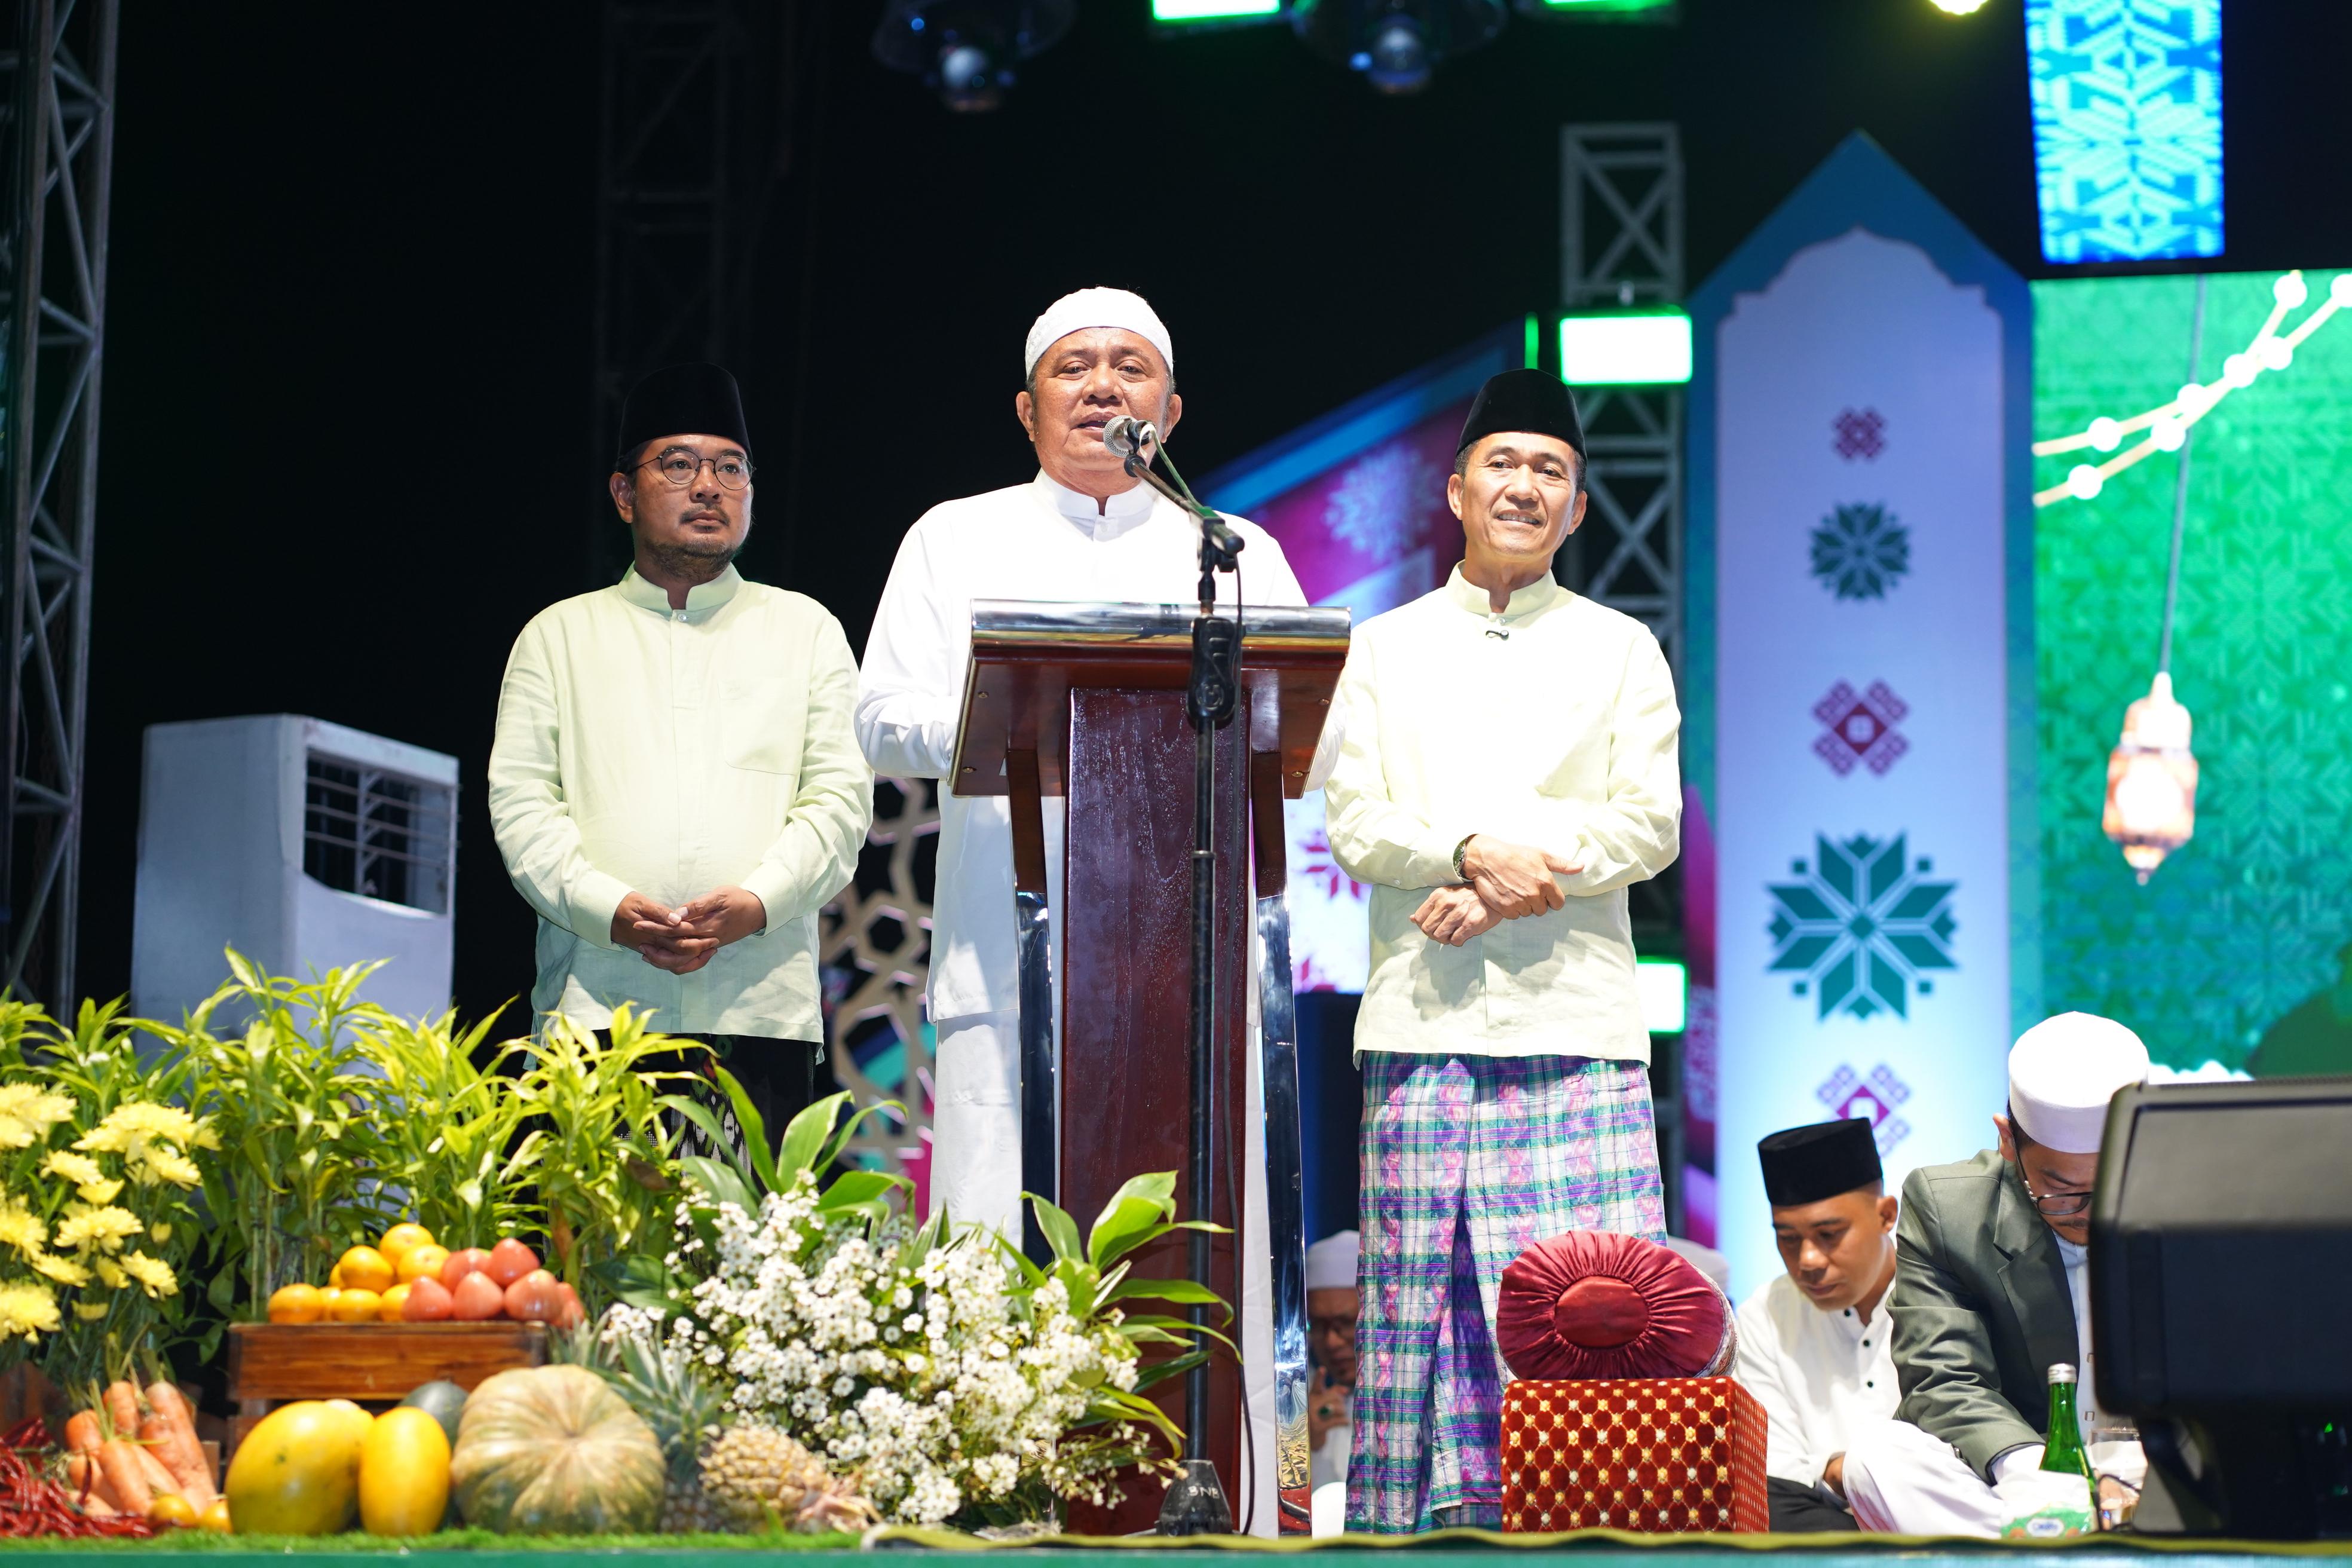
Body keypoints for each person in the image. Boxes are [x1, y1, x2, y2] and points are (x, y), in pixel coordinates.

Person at [853, 287, 1313, 1235]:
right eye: (1074, 368)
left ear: (1171, 413)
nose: (1103, 387)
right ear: (1028, 411)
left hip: (1189, 964)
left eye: (1131, 369)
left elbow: (1320, 726)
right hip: (1005, 936)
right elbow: (882, 719)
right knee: (996, 1237)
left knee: (1192, 1235)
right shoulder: (953, 537)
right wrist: (1011, 723)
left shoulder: (1232, 553)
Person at [1322, 368, 1681, 1534]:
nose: (1526, 486)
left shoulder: (1623, 648)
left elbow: (1651, 825)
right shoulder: (1380, 646)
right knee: (1419, 1321)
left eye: (1552, 472)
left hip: (1576, 1027)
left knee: (1592, 1313)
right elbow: (1360, 824)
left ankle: (1598, 1541)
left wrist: (1506, 886)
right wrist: (1478, 851)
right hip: (1422, 1026)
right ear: (1456, 488)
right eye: (1505, 464)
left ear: (1578, 510)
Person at [489, 362, 873, 1132]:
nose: (710, 486)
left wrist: (755, 904)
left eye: (731, 468)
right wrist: (612, 911)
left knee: (750, 1255)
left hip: (759, 1013)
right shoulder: (558, 636)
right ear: (625, 493)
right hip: (596, 1010)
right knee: (595, 1252)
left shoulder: (806, 630)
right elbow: (523, 810)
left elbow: (839, 802)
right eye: (680, 464)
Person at [1840, 1012, 2152, 1536]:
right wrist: (2040, 1478)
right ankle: (2037, 1542)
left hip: (2161, 1464)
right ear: (2009, 1141)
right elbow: (1943, 1378)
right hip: (2022, 1477)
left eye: (2113, 1184)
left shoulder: (2199, 1201)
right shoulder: (1949, 1208)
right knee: (1877, 1457)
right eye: (2061, 1190)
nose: (2088, 1213)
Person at [1733, 1117, 1901, 1532]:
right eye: (1788, 1239)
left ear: (1886, 1216)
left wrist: (1850, 1471)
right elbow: (1773, 1479)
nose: (1808, 1260)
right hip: (1812, 1532)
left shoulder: (1946, 1296)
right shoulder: (1766, 1314)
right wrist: (1842, 1475)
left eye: (1829, 1234)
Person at [1306, 1229, 1361, 1493]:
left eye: (1345, 1324)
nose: (1331, 1342)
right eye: (1318, 1325)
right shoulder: (1291, 1401)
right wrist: (1304, 1442)